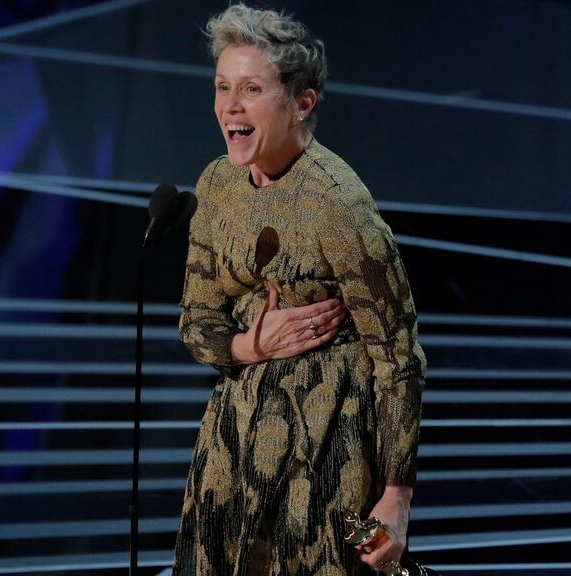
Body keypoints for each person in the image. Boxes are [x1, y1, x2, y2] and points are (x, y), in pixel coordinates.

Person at [174, 4, 426, 575]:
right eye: (222, 87)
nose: (229, 107)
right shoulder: (217, 184)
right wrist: (250, 345)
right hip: (234, 436)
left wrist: (396, 498)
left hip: (327, 443)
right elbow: (196, 322)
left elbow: (399, 360)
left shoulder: (339, 206)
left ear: (302, 102)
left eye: (251, 89)